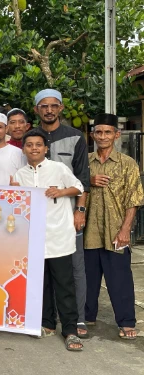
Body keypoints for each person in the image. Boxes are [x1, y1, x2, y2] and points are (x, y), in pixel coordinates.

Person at [12, 129, 84, 352]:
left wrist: (61, 192)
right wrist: (13, 192)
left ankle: (70, 330)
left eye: (38, 145)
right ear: (24, 149)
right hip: (33, 238)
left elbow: (79, 187)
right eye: (30, 145)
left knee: (64, 284)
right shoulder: (19, 175)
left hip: (58, 235)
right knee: (41, 284)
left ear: (46, 148)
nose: (34, 148)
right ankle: (48, 324)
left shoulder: (58, 168)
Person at [34, 88, 90, 338]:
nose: (48, 110)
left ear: (61, 108)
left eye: (53, 106)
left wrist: (80, 210)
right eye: (43, 106)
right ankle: (46, 319)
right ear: (37, 110)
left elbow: (83, 179)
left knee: (72, 270)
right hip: (37, 221)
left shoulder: (75, 137)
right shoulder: (30, 138)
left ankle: (76, 320)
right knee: (42, 271)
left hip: (67, 216)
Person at [84, 113, 143, 340]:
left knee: (119, 278)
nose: (103, 136)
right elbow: (74, 188)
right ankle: (87, 315)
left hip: (115, 231)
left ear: (116, 135)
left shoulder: (128, 164)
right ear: (93, 135)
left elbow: (134, 199)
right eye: (99, 132)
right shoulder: (85, 162)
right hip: (88, 231)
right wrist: (88, 180)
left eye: (108, 132)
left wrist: (126, 229)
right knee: (88, 277)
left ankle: (126, 321)